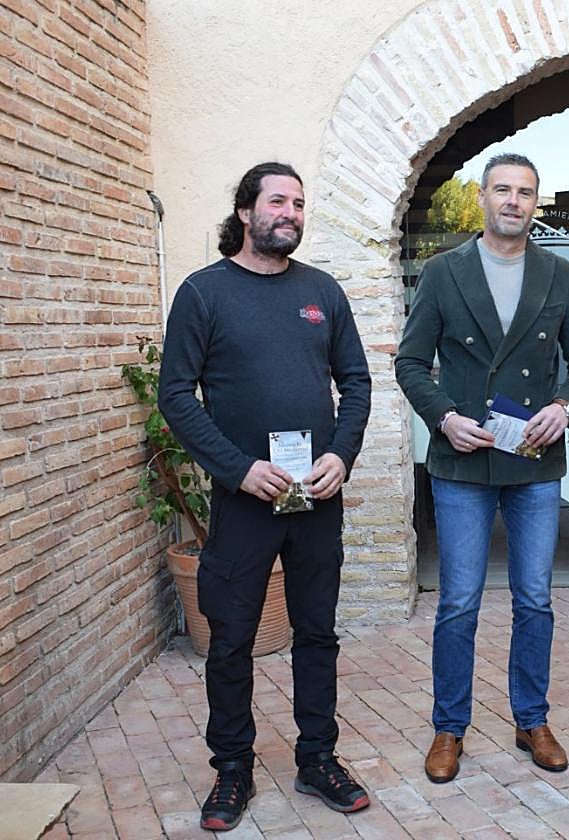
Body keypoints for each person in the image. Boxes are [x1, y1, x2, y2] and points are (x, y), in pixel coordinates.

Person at [158, 162, 372, 830]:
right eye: (278, 201)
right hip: (245, 501)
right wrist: (237, 468)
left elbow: (357, 383)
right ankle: (232, 770)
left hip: (315, 499)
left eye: (299, 204)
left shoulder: (322, 292)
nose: (290, 213)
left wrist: (341, 455)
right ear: (245, 211)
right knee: (230, 640)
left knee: (317, 634)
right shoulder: (204, 293)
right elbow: (175, 395)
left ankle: (318, 760)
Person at [395, 153, 569, 783]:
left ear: (536, 204)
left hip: (533, 462)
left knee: (534, 599)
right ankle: (449, 727)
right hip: (463, 461)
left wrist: (565, 406)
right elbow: (409, 363)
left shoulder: (558, 273)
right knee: (458, 602)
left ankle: (531, 719)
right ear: (482, 197)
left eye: (525, 192)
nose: (513, 200)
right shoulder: (443, 271)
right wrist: (444, 418)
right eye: (502, 189)